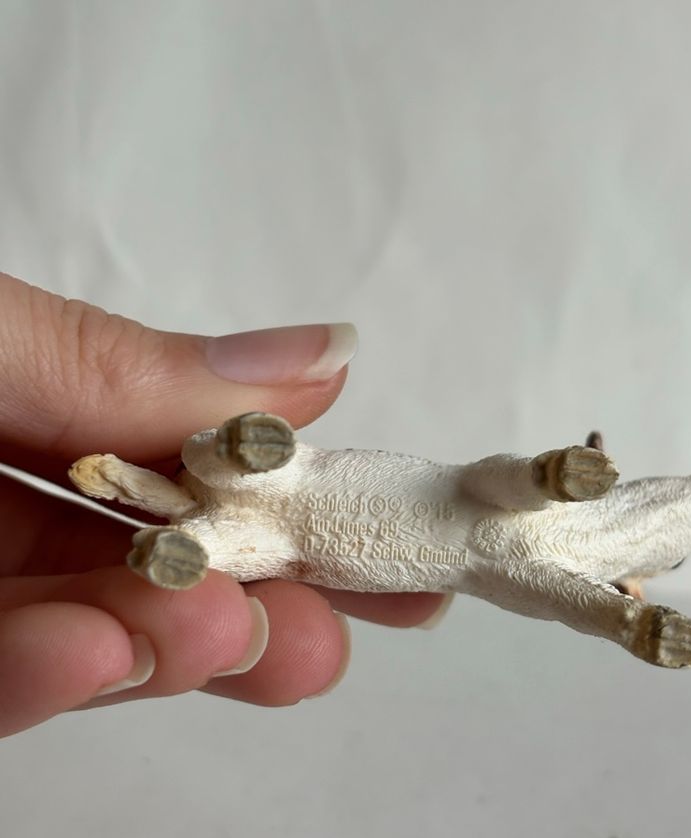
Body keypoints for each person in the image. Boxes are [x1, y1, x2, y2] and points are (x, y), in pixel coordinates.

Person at [0, 272, 448, 738]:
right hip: (269, 491)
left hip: (262, 537)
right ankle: (241, 457)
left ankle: (180, 542)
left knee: (204, 547)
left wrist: (131, 486)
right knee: (228, 492)